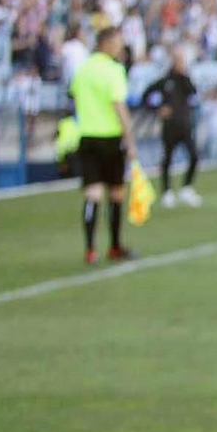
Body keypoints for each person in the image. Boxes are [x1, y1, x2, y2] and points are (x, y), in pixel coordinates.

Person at [68, 26, 135, 263]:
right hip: (109, 137)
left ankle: (90, 249)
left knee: (92, 193)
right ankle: (115, 246)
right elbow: (119, 106)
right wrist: (130, 140)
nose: (120, 47)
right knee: (115, 193)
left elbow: (74, 96)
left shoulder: (83, 69)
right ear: (105, 43)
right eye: (117, 42)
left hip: (86, 137)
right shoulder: (113, 70)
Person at [143, 47, 202, 207]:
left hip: (184, 124)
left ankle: (186, 188)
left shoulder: (184, 80)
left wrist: (184, 74)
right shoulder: (165, 81)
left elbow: (193, 91)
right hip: (169, 126)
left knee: (194, 156)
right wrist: (157, 109)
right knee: (167, 158)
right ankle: (167, 191)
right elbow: (146, 95)